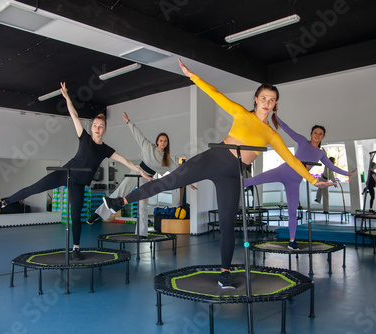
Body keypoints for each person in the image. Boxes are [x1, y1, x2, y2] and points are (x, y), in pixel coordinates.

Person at [103, 59, 334, 288]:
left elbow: (291, 159)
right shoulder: (242, 113)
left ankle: (225, 274)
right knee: (168, 182)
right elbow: (215, 94)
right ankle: (119, 201)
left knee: (226, 223)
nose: (267, 102)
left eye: (271, 100)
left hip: (233, 175)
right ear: (256, 99)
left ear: (275, 105)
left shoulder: (272, 135)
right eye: (263, 98)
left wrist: (314, 179)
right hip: (213, 159)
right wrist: (192, 76)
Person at [0, 82, 151, 260]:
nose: (97, 128)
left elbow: (125, 161)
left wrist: (141, 172)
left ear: (105, 129)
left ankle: (75, 249)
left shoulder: (105, 149)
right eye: (95, 125)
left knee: (76, 215)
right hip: (65, 173)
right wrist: (67, 97)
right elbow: (74, 115)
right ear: (92, 128)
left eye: (101, 126)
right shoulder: (85, 138)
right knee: (34, 187)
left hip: (79, 184)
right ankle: (2, 203)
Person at [245, 120, 354, 250]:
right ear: (311, 134)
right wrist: (275, 116)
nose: (317, 135)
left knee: (292, 211)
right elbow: (287, 129)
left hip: (295, 181)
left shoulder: (321, 154)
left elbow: (332, 167)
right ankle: (233, 182)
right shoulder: (303, 141)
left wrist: (347, 173)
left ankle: (292, 241)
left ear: (323, 136)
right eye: (315, 133)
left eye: (320, 134)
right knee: (255, 180)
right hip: (284, 170)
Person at [87, 112, 195, 238]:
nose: (163, 143)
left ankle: (142, 234)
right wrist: (129, 122)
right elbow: (138, 135)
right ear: (157, 141)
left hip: (147, 179)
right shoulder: (148, 146)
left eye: (165, 141)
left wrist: (188, 182)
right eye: (161, 140)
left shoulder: (167, 160)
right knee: (120, 191)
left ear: (167, 144)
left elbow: (178, 171)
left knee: (142, 205)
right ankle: (97, 215)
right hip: (138, 172)